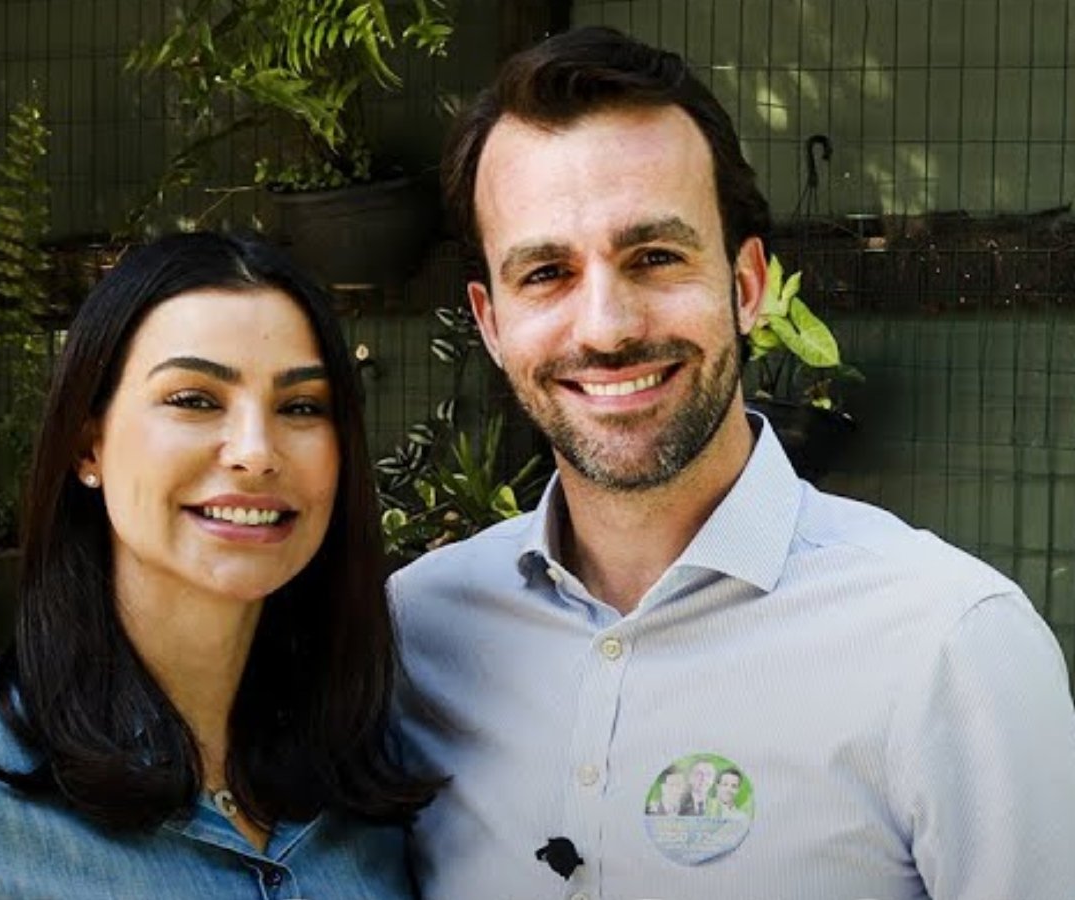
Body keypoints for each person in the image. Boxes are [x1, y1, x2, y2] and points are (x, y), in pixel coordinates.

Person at [388, 26, 1075, 899]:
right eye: (547, 273)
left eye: (655, 257)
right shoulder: (415, 636)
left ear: (747, 286)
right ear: (490, 323)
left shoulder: (948, 646)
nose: (606, 326)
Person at [0, 232, 437, 898]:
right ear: (90, 445)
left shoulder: (374, 776)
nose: (256, 452)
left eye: (301, 407)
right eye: (194, 399)